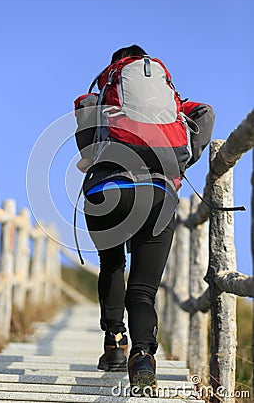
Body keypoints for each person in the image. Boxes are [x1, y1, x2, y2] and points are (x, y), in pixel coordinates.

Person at [74, 45, 215, 395]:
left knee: (111, 264)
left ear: (114, 70)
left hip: (107, 191)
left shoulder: (103, 94)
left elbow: (83, 110)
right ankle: (142, 357)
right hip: (159, 193)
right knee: (144, 289)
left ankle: (114, 345)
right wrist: (179, 163)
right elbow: (206, 113)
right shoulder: (174, 102)